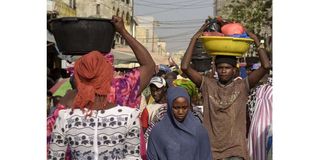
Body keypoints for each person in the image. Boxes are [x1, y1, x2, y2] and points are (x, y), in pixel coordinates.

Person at [47, 15, 156, 160]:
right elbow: (149, 66)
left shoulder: (66, 103)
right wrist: (123, 31)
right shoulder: (121, 90)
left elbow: (52, 148)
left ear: (77, 76)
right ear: (108, 73)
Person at [181, 22, 271, 160]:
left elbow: (265, 66)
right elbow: (185, 67)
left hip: (235, 150)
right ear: (216, 69)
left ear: (234, 70)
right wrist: (194, 38)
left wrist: (257, 41)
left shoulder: (242, 86)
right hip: (211, 150)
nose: (223, 71)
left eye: (227, 68)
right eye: (220, 67)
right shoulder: (207, 85)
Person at [147, 87, 212, 160]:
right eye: (176, 108)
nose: (180, 112)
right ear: (169, 106)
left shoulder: (199, 130)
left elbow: (206, 156)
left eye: (184, 107)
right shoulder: (158, 132)